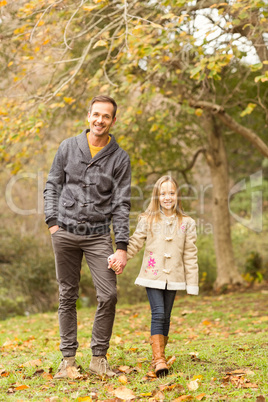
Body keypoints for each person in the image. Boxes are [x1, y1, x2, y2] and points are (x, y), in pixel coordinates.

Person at [44, 95, 131, 379]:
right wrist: (52, 223)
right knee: (67, 295)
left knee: (108, 295)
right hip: (65, 233)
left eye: (106, 116)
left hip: (98, 237)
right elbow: (52, 185)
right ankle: (68, 361)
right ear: (88, 116)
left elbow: (121, 204)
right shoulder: (68, 147)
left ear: (113, 121)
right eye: (96, 114)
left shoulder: (120, 158)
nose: (100, 120)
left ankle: (98, 359)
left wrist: (121, 247)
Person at [109, 175, 199, 377]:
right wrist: (119, 257)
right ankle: (158, 361)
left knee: (166, 316)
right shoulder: (147, 220)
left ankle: (161, 356)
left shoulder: (187, 223)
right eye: (163, 193)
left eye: (172, 193)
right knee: (158, 312)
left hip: (174, 276)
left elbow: (190, 254)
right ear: (157, 196)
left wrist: (192, 282)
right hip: (152, 274)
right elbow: (134, 243)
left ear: (177, 196)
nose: (168, 197)